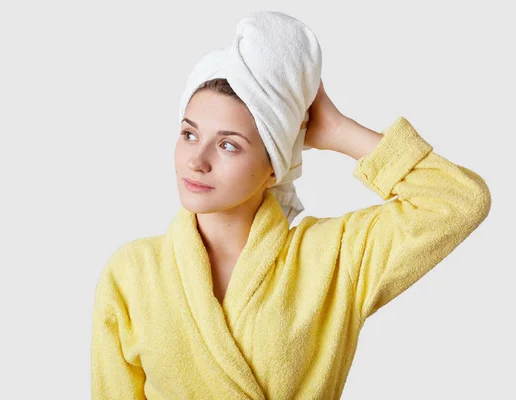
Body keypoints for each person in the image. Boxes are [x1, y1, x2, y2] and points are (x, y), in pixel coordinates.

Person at [90, 77, 491, 399]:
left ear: (273, 169)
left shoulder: (331, 258)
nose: (196, 160)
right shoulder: (131, 273)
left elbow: (459, 200)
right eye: (189, 135)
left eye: (228, 144)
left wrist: (338, 131)